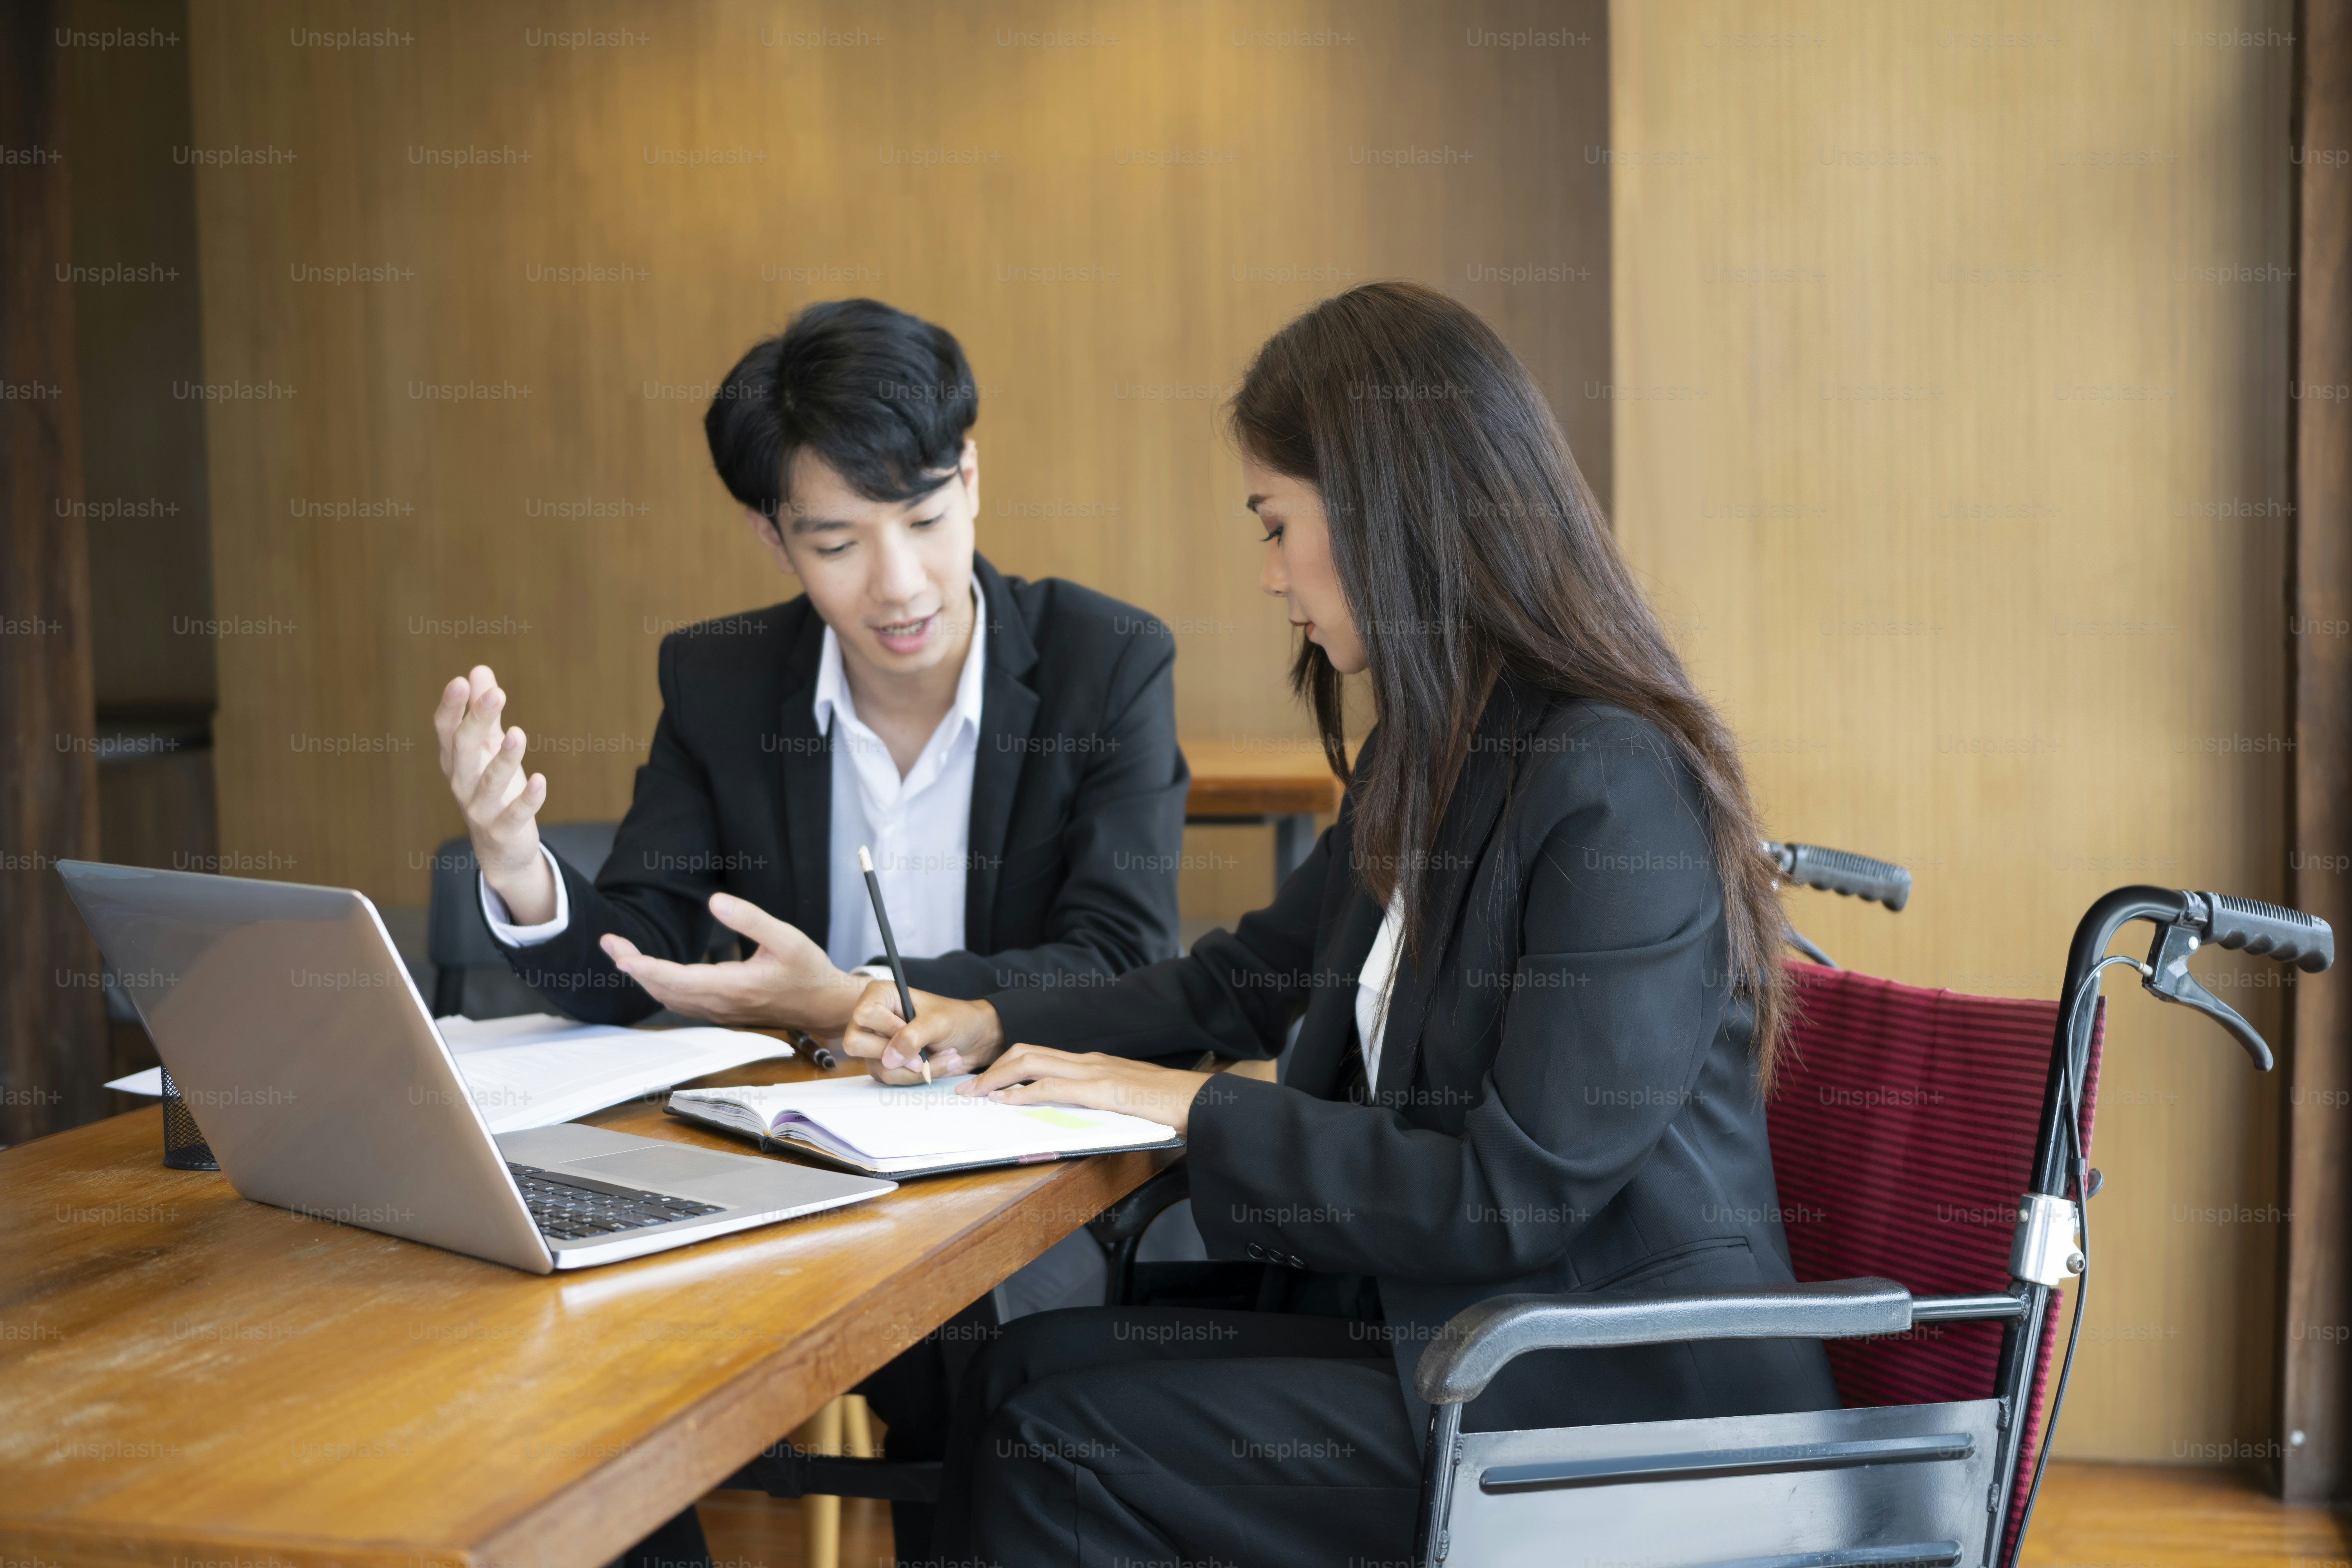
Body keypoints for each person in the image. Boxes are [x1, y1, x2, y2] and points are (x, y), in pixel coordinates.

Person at [841, 281, 1842, 1566]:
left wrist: (1188, 1107)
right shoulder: (1426, 755)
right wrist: (988, 1020)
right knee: (1015, 1374)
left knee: (1060, 1444)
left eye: (1277, 525)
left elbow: (1510, 1197)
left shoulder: (1613, 784)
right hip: (1455, 1338)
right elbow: (1240, 981)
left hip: (1608, 1402)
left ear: (1383, 510)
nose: (1269, 574)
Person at [428, 299, 1191, 1567]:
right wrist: (520, 867)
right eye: (838, 541)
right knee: (574, 1377)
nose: (899, 583)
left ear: (972, 477)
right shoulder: (722, 679)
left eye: (927, 519)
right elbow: (636, 956)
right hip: (777, 1165)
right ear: (774, 537)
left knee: (980, 1400)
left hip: (1011, 1162)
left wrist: (852, 998)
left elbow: (1119, 958)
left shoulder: (1104, 661)